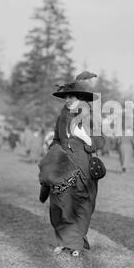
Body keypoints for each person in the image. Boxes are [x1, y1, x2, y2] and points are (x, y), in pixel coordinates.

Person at [40, 71, 104, 257]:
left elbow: (100, 142)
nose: (68, 100)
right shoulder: (61, 117)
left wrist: (85, 137)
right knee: (59, 204)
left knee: (82, 205)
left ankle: (75, 242)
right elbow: (57, 139)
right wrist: (50, 154)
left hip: (84, 166)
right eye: (66, 96)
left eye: (73, 97)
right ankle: (63, 239)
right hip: (62, 166)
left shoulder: (91, 117)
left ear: (81, 98)